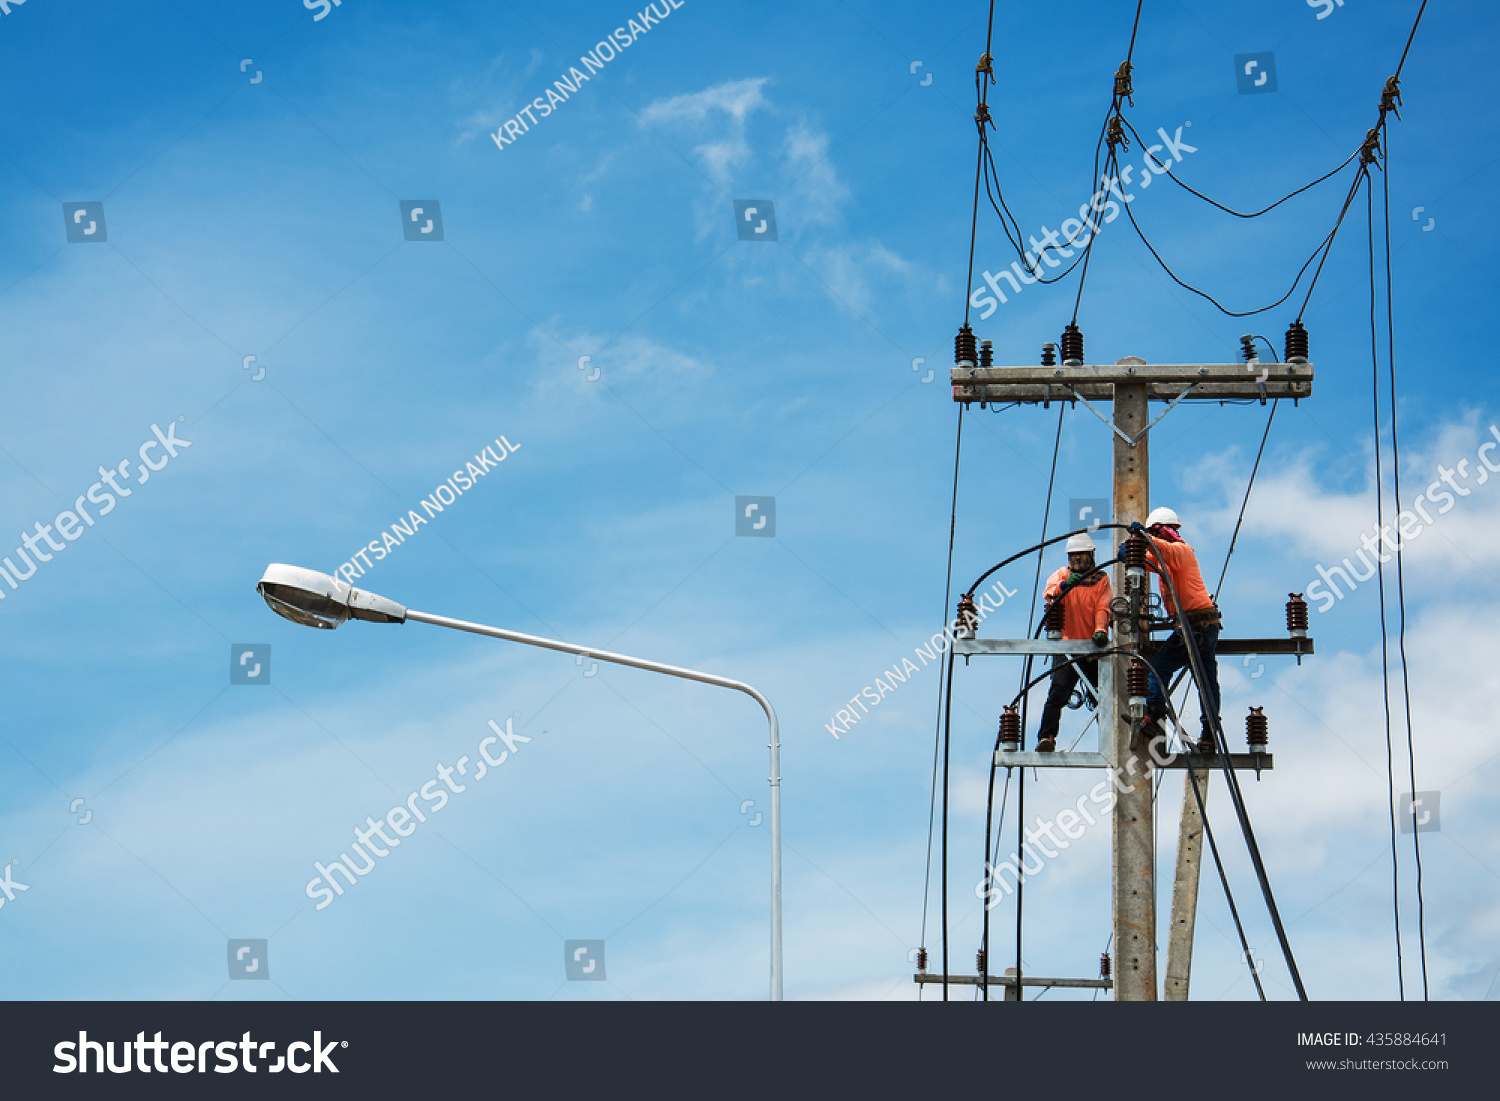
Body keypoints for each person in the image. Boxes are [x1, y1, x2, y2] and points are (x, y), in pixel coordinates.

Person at [1138, 507, 1222, 751]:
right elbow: (1149, 560)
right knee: (1206, 684)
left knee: (1158, 668)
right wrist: (1130, 553)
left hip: (1194, 627)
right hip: (1201, 627)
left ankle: (1154, 713)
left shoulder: (1181, 552)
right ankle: (1209, 735)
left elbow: (1159, 550)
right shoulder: (1168, 559)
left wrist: (1142, 535)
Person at [1035, 533, 1112, 752]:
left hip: (1092, 648)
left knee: (1102, 696)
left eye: (1082, 555)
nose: (1078, 560)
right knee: (1058, 693)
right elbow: (1049, 594)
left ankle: (1112, 741)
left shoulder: (1101, 579)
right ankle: (1047, 738)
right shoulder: (1061, 574)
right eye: (1075, 556)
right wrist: (1064, 585)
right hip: (1067, 647)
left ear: (1091, 556)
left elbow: (1102, 607)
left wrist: (1100, 630)